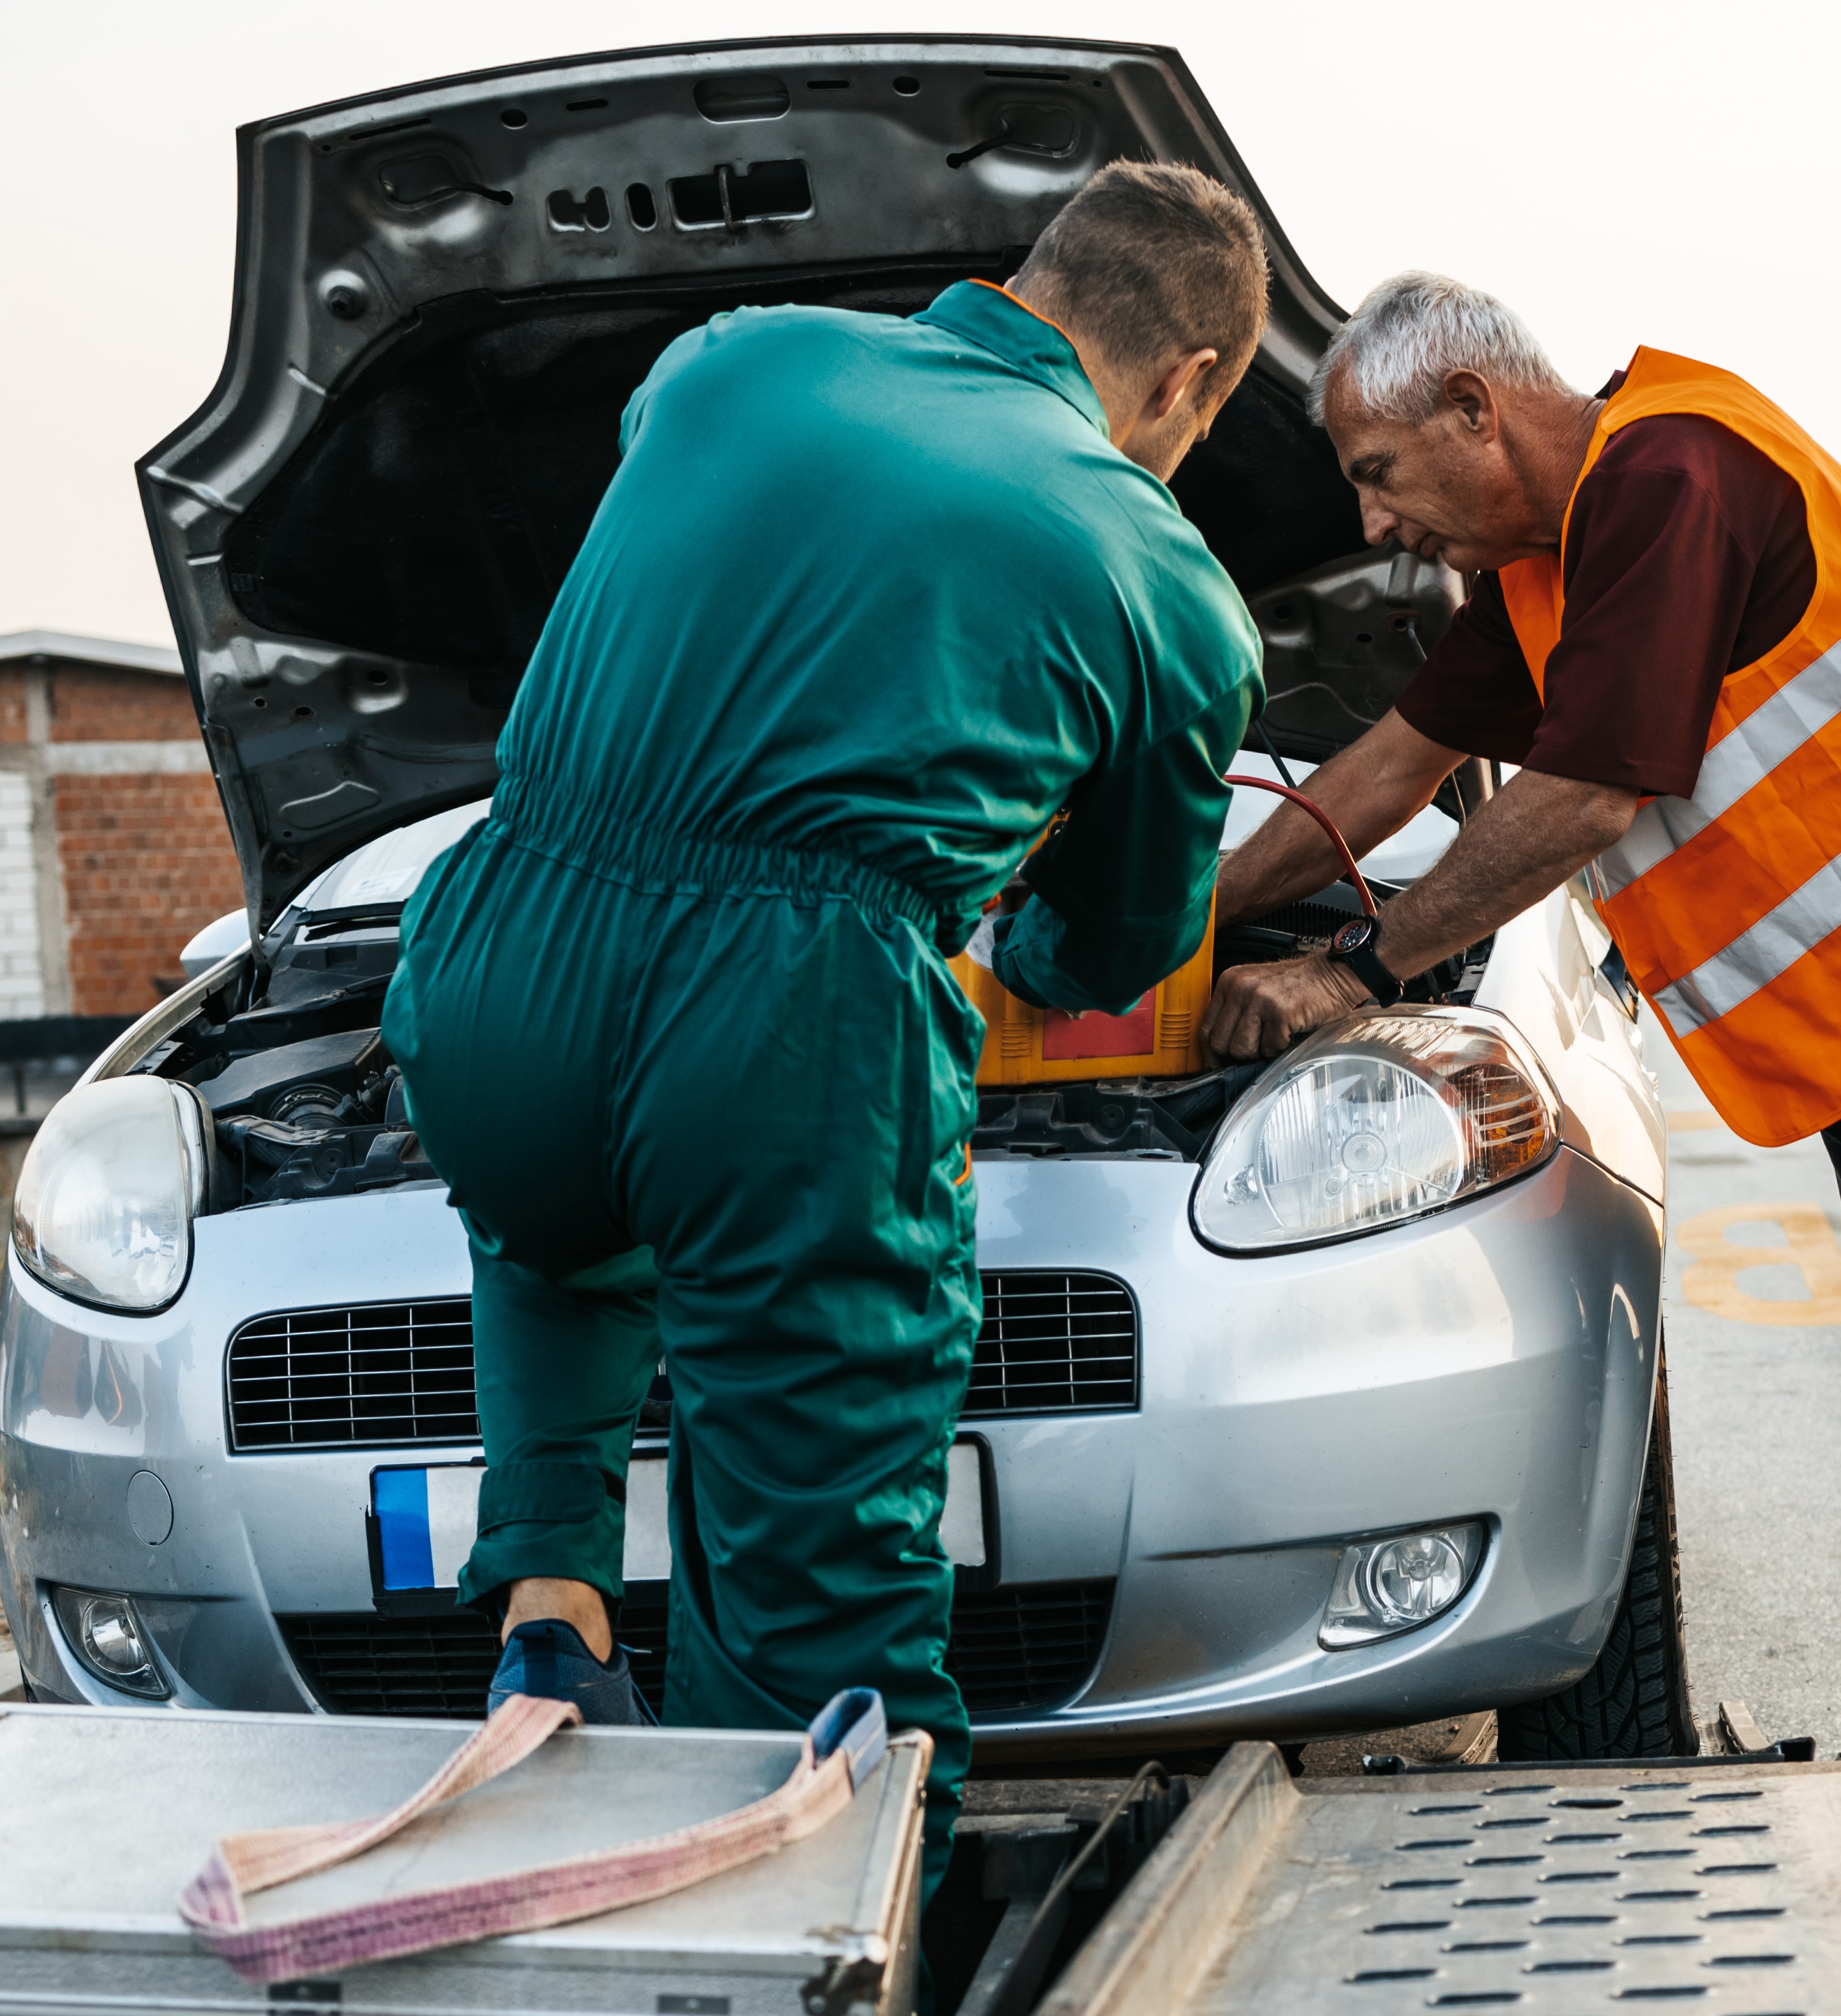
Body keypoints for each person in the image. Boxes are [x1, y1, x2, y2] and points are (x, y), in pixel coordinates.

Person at [386, 161, 1269, 1889]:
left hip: (497, 948)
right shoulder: (1160, 573)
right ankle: (834, 2008)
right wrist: (1013, 911)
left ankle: (552, 1595)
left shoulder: (735, 355)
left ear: (1030, 277)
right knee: (830, 1589)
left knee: (562, 1229)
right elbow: (1110, 949)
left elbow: (699, 522)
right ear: (1191, 384)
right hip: (784, 1032)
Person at [1206, 274, 1841, 1916]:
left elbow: (1586, 791)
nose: (1376, 520)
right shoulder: (1560, 565)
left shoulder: (1672, 480)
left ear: (1480, 410)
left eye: (1383, 471)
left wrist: (1364, 966)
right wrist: (1181, 930)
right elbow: (1386, 766)